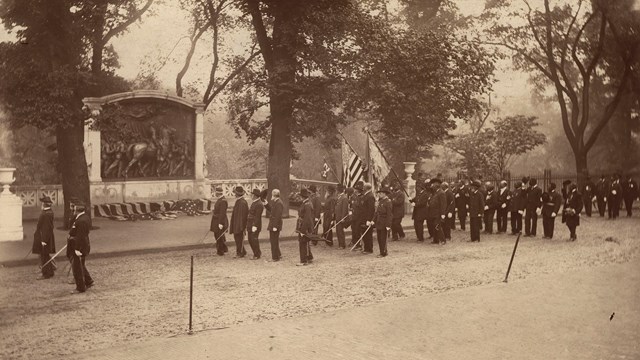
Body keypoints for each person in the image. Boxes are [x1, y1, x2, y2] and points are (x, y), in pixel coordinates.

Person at [67, 200, 93, 294]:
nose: (72, 209)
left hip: (78, 246)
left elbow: (80, 236)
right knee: (80, 265)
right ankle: (88, 281)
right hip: (78, 243)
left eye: (73, 208)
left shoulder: (81, 220)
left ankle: (80, 287)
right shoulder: (82, 217)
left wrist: (77, 249)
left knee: (77, 267)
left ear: (76, 209)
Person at [33, 195, 56, 280]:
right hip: (45, 237)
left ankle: (46, 273)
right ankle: (50, 272)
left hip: (44, 238)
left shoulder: (46, 214)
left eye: (42, 203)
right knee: (45, 255)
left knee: (44, 256)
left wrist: (44, 240)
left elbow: (46, 228)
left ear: (44, 204)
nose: (41, 205)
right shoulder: (49, 212)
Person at [296, 188, 315, 266]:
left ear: (302, 197)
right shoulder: (307, 203)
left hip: (304, 226)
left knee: (302, 242)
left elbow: (307, 218)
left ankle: (303, 260)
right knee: (306, 242)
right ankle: (309, 257)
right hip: (304, 225)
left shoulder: (307, 205)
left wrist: (303, 230)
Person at [373, 185, 393, 257]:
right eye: (379, 193)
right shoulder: (380, 201)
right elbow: (376, 212)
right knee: (379, 238)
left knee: (383, 238)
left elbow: (389, 215)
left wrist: (388, 225)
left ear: (385, 194)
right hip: (379, 222)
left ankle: (384, 252)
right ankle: (381, 251)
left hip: (384, 222)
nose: (379, 194)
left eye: (381, 193)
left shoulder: (388, 202)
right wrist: (373, 220)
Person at [229, 186, 248, 258]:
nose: (234, 194)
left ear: (237, 194)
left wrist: (241, 226)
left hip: (239, 225)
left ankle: (240, 253)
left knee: (238, 238)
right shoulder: (239, 201)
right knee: (237, 238)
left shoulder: (242, 202)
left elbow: (242, 216)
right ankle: (242, 251)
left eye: (235, 193)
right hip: (237, 224)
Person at [426, 178, 446, 245]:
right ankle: (436, 240)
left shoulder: (441, 193)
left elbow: (443, 204)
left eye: (433, 184)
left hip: (438, 213)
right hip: (433, 213)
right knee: (434, 226)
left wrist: (443, 214)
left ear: (437, 184)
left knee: (437, 226)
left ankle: (443, 240)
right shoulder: (435, 193)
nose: (432, 185)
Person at [210, 186, 228, 256]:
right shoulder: (220, 199)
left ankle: (220, 251)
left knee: (218, 235)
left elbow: (222, 213)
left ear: (218, 193)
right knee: (219, 235)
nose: (215, 194)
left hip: (219, 220)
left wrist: (220, 223)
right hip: (216, 219)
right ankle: (224, 248)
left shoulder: (223, 201)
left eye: (216, 192)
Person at [266, 189, 283, 261]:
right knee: (274, 240)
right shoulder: (276, 202)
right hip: (273, 223)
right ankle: (278, 254)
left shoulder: (278, 203)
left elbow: (278, 215)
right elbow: (272, 211)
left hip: (275, 224)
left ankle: (275, 257)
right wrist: (266, 204)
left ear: (274, 195)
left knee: (273, 240)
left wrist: (275, 226)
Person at [247, 189, 264, 259]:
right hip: (250, 224)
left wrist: (255, 225)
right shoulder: (255, 202)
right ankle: (257, 252)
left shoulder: (259, 204)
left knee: (254, 239)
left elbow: (257, 216)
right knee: (250, 239)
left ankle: (257, 254)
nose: (251, 195)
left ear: (254, 196)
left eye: (252, 194)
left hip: (255, 225)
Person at [361, 182, 376, 254]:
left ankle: (369, 249)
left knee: (368, 234)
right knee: (364, 234)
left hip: (367, 219)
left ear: (366, 188)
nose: (363, 188)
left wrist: (369, 220)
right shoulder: (366, 195)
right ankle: (366, 248)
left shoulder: (370, 196)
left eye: (364, 187)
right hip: (363, 218)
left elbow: (371, 209)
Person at [349, 181, 364, 249]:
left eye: (356, 189)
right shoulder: (353, 196)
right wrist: (350, 209)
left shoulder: (362, 197)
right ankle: (354, 242)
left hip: (359, 217)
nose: (355, 190)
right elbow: (351, 205)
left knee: (358, 230)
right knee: (353, 229)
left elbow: (362, 208)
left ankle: (359, 245)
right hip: (354, 216)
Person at [334, 184, 349, 249]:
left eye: (336, 189)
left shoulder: (344, 197)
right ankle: (340, 244)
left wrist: (343, 217)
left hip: (341, 217)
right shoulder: (339, 197)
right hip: (337, 216)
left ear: (339, 190)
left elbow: (344, 209)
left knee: (340, 231)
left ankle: (342, 245)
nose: (336, 191)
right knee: (338, 231)